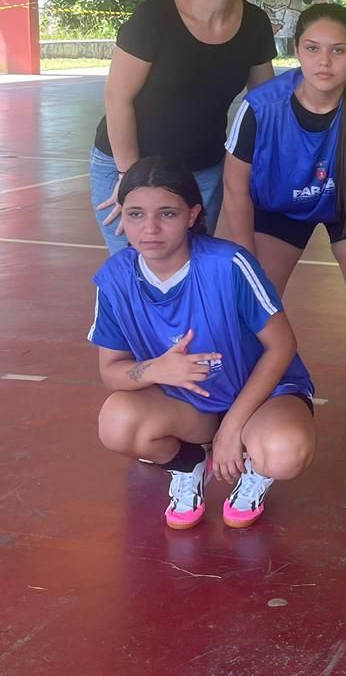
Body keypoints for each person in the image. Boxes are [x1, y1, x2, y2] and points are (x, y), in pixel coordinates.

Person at [220, 4, 346, 460]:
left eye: (337, 50)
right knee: (248, 306)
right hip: (279, 208)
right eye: (312, 49)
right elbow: (235, 189)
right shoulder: (260, 106)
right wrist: (247, 264)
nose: (324, 61)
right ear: (296, 50)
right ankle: (246, 405)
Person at [91, 156, 315, 530]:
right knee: (116, 423)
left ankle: (255, 468)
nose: (150, 228)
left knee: (284, 451)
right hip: (190, 405)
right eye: (135, 214)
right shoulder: (115, 280)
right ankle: (188, 462)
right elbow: (111, 372)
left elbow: (281, 346)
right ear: (122, 216)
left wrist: (233, 427)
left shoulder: (228, 264)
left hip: (261, 398)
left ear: (192, 214)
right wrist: (156, 369)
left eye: (167, 214)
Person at [91, 0, 277, 254]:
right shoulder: (153, 18)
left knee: (190, 272)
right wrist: (130, 179)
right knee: (137, 269)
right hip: (129, 164)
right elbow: (117, 97)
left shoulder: (255, 24)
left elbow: (265, 104)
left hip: (202, 171)